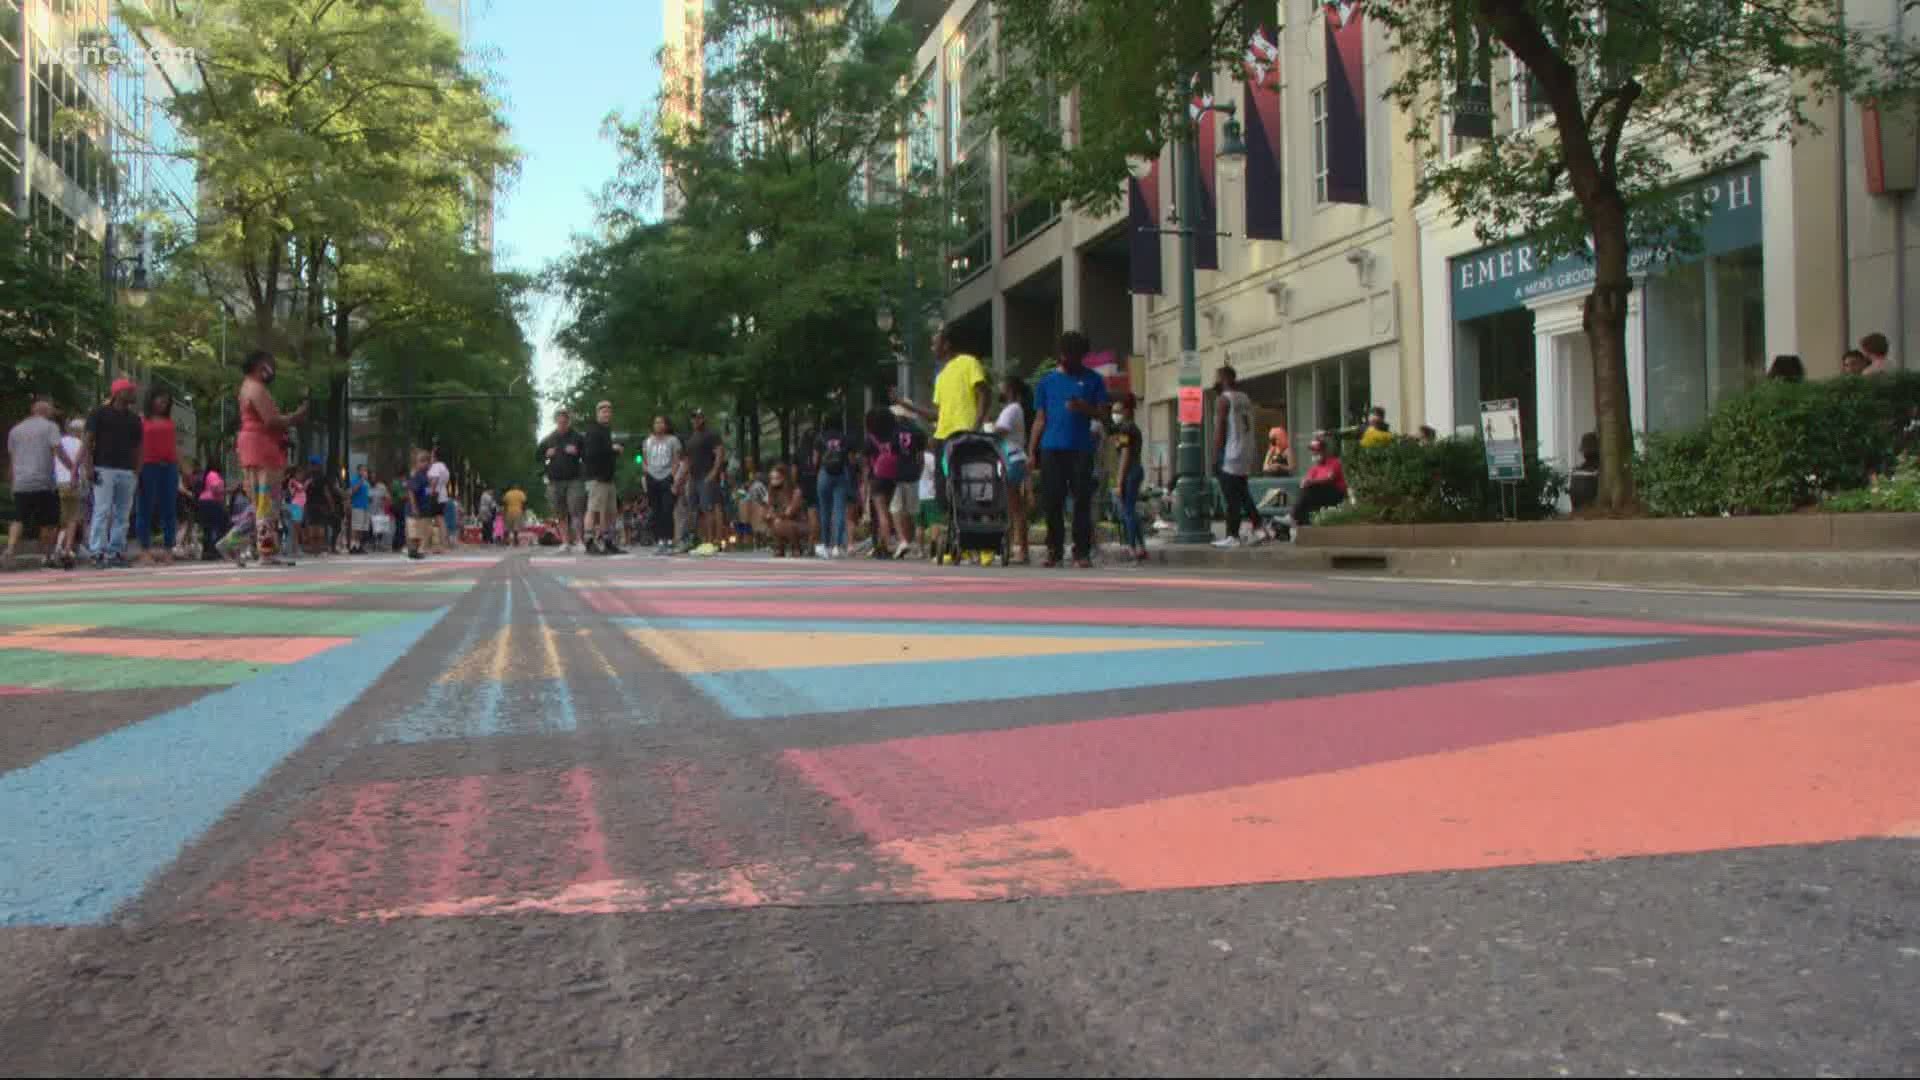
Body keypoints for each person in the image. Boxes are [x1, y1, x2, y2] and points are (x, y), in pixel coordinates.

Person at [1028, 330, 1110, 569]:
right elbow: (1040, 419)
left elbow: (1104, 415)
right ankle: (1053, 550)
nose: (1071, 360)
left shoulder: (1093, 380)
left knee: (1081, 501)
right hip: (1051, 449)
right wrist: (1031, 451)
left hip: (1081, 449)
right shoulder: (1046, 382)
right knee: (1052, 501)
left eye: (1077, 356)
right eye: (1068, 355)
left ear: (1082, 356)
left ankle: (1081, 552)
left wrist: (1084, 408)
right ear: (1061, 355)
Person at [895, 324, 989, 497]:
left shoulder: (968, 362)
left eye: (934, 344)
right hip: (942, 439)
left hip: (964, 434)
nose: (932, 348)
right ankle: (953, 523)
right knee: (943, 492)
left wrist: (976, 426)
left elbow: (984, 393)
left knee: (965, 487)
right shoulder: (941, 376)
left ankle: (968, 522)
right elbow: (937, 414)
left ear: (946, 345)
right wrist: (906, 405)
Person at [235, 350, 309, 564]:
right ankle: (266, 551)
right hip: (263, 447)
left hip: (253, 446)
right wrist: (296, 417)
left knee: (259, 502)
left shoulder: (246, 387)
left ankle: (233, 543)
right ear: (260, 366)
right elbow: (271, 421)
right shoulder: (256, 388)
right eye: (269, 365)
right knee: (267, 502)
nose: (272, 370)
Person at [83, 378, 146, 568]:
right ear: (118, 393)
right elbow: (88, 440)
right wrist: (88, 466)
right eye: (130, 391)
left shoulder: (134, 419)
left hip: (127, 470)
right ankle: (97, 551)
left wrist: (137, 469)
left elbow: (139, 446)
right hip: (104, 467)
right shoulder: (99, 413)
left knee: (123, 513)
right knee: (102, 510)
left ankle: (115, 551)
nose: (134, 395)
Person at [6, 397, 75, 568]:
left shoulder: (16, 430)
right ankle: (47, 555)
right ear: (44, 411)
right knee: (48, 521)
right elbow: (58, 451)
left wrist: (12, 482)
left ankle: (10, 550)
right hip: (44, 482)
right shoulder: (50, 427)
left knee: (19, 518)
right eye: (51, 410)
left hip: (22, 482)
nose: (53, 413)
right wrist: (72, 469)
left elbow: (12, 460)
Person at [1211, 364, 1265, 548]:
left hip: (1230, 453)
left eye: (1217, 377)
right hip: (1246, 451)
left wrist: (1215, 456)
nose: (1214, 381)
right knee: (1242, 493)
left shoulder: (1223, 400)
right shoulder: (1244, 397)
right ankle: (1259, 526)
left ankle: (1233, 535)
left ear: (1225, 379)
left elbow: (1220, 431)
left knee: (1231, 497)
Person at [991, 375, 1032, 564]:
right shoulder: (1015, 409)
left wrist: (986, 431)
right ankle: (1018, 548)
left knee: (1013, 507)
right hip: (1014, 459)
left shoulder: (1011, 409)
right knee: (1015, 506)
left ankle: (1019, 549)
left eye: (1001, 387)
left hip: (1011, 459)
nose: (999, 390)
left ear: (1010, 390)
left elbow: (1002, 430)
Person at [537, 408, 587, 552]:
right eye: (560, 422)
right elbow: (537, 457)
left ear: (569, 421)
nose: (562, 424)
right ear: (556, 422)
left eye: (565, 422)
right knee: (560, 512)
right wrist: (546, 454)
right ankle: (565, 542)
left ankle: (579, 541)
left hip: (574, 479)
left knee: (575, 509)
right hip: (554, 480)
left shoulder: (577, 437)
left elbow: (587, 454)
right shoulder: (549, 439)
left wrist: (577, 452)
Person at [583, 399, 625, 555]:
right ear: (597, 413)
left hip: (608, 478)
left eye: (609, 411)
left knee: (610, 512)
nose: (607, 413)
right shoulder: (593, 430)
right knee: (593, 510)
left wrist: (613, 450)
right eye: (603, 411)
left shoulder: (606, 431)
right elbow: (591, 453)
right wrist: (612, 449)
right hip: (597, 477)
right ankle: (589, 541)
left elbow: (605, 452)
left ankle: (608, 542)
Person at [682, 408, 727, 551]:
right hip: (694, 478)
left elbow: (720, 453)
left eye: (699, 417)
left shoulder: (711, 435)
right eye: (694, 418)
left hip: (706, 476)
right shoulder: (690, 438)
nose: (696, 420)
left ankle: (713, 541)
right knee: (696, 510)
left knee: (709, 509)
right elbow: (688, 460)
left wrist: (713, 473)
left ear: (703, 419)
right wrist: (687, 477)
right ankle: (703, 540)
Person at [1286, 436, 1348, 537]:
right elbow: (1306, 481)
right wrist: (1306, 482)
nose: (1314, 453)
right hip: (1319, 495)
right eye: (1313, 451)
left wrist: (1311, 482)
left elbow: (1329, 479)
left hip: (1335, 493)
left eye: (1317, 451)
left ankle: (1293, 516)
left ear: (1324, 451)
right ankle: (1297, 523)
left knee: (1310, 489)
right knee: (1306, 492)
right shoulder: (1315, 468)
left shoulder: (1334, 462)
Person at [1111, 394, 1147, 562]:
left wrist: (1119, 481)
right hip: (1136, 469)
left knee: (1128, 511)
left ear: (1126, 410)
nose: (1114, 414)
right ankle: (1141, 547)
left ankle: (1131, 547)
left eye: (1117, 410)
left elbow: (1125, 454)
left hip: (1130, 471)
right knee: (1132, 510)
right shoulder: (1134, 428)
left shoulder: (1126, 428)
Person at [863, 404, 903, 558]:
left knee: (881, 512)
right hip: (892, 476)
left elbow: (866, 461)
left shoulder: (871, 438)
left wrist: (865, 482)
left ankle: (884, 546)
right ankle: (883, 543)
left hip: (877, 476)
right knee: (886, 509)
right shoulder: (895, 437)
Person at [640, 415, 682, 555]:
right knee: (656, 511)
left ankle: (669, 540)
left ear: (666, 425)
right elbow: (644, 460)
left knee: (667, 509)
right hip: (652, 477)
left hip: (667, 477)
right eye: (655, 422)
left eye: (661, 422)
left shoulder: (673, 440)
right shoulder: (648, 441)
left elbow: (676, 460)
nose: (658, 425)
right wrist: (646, 474)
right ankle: (659, 541)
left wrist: (672, 476)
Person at [814, 418, 854, 558]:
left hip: (825, 473)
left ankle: (825, 545)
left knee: (824, 510)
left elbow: (815, 460)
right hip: (841, 473)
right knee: (839, 510)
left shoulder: (820, 438)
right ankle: (837, 545)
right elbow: (851, 460)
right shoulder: (845, 438)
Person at [53, 416, 86, 567]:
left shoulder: (60, 442)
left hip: (58, 483)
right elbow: (83, 467)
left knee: (61, 519)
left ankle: (57, 547)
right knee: (72, 518)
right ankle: (66, 549)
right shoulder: (81, 444)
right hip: (73, 483)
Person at [765, 464, 808, 556]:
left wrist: (777, 516)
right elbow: (770, 509)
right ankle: (779, 547)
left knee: (780, 523)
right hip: (780, 521)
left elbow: (790, 512)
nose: (773, 481)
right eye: (771, 478)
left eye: (776, 478)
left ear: (784, 478)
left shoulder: (795, 491)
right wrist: (770, 514)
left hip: (798, 523)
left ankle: (796, 546)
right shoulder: (772, 491)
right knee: (773, 521)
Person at [404, 448, 434, 560]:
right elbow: (411, 492)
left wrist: (431, 490)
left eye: (427, 461)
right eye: (422, 461)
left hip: (424, 508)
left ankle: (416, 550)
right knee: (414, 531)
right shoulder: (417, 476)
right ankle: (412, 549)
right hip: (415, 509)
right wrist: (414, 507)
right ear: (417, 463)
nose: (426, 463)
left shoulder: (425, 476)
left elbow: (426, 492)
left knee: (422, 531)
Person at [195, 462, 228, 561]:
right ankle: (215, 550)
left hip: (203, 501)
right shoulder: (213, 474)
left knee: (207, 529)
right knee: (219, 526)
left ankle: (207, 552)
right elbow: (216, 488)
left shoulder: (207, 475)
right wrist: (228, 490)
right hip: (212, 502)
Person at [348, 465, 373, 554]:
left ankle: (359, 546)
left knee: (362, 528)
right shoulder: (354, 480)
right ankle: (353, 546)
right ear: (358, 471)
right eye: (362, 470)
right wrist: (361, 481)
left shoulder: (367, 482)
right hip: (357, 506)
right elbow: (352, 491)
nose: (364, 472)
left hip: (365, 507)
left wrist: (370, 498)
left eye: (365, 470)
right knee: (356, 527)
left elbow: (369, 493)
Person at [502, 483, 527, 547]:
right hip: (518, 511)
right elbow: (524, 503)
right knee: (516, 526)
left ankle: (506, 540)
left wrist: (504, 512)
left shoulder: (508, 493)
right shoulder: (521, 493)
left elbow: (504, 503)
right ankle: (515, 540)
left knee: (507, 526)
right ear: (517, 487)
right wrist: (524, 511)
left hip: (509, 512)